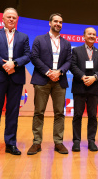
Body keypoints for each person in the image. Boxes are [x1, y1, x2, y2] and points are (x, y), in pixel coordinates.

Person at [0, 8, 30, 157]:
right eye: (8, 17)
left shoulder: (23, 36)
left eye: (14, 17)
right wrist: (5, 65)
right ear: (3, 19)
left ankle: (10, 143)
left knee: (13, 112)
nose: (11, 19)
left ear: (17, 20)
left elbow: (27, 55)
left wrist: (14, 64)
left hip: (16, 79)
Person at [27, 13, 71, 155]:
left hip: (60, 81)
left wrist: (59, 72)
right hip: (42, 80)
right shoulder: (39, 39)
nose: (58, 24)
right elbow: (34, 57)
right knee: (39, 112)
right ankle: (36, 142)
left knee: (60, 113)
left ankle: (58, 142)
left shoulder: (66, 43)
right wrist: (48, 72)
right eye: (56, 21)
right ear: (50, 23)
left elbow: (69, 61)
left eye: (60, 22)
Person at [70, 27, 98, 152]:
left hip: (93, 88)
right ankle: (76, 141)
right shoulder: (76, 51)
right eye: (89, 34)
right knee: (77, 115)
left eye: (94, 34)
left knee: (92, 116)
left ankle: (91, 141)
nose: (92, 36)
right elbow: (72, 66)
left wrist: (94, 78)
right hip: (79, 87)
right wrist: (83, 77)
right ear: (83, 36)